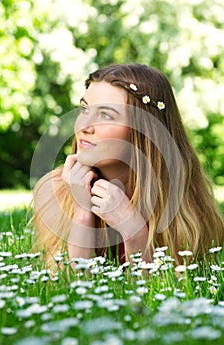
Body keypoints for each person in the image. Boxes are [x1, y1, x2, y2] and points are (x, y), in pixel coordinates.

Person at [33, 63, 224, 269]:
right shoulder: (56, 189)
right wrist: (82, 212)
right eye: (84, 109)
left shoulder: (182, 203)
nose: (84, 127)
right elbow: (71, 289)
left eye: (106, 115)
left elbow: (162, 293)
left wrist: (134, 231)